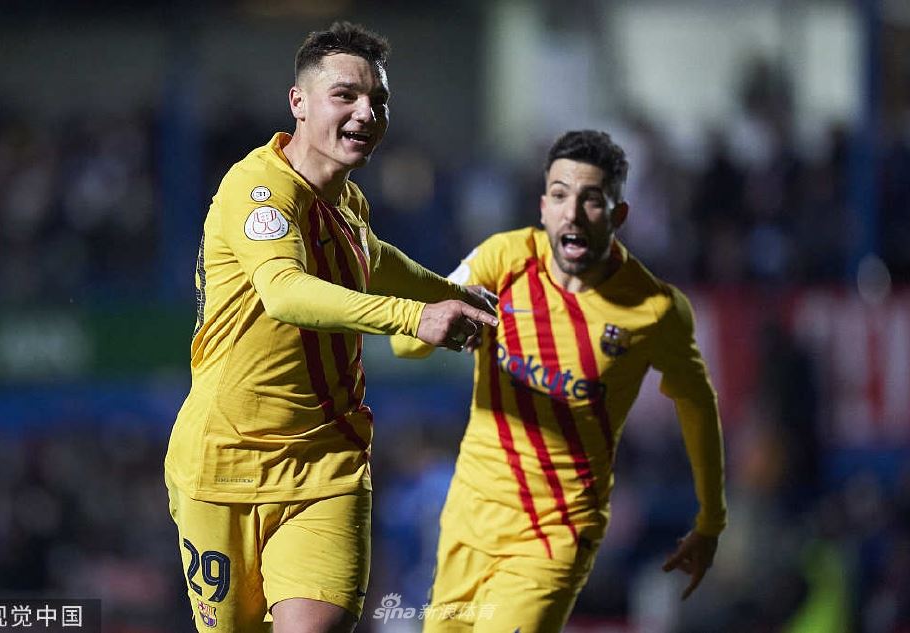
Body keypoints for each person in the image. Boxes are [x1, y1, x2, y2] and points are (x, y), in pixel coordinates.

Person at [164, 22, 497, 633]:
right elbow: (284, 292)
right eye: (345, 95)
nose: (366, 113)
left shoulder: (349, 201)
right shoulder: (257, 189)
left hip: (328, 464)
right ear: (299, 102)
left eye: (378, 100)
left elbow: (374, 258)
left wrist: (453, 295)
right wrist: (413, 316)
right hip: (222, 466)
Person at [391, 130, 727, 632]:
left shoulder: (654, 308)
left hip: (556, 530)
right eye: (560, 195)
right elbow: (407, 342)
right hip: (473, 515)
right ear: (544, 206)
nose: (572, 214)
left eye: (591, 200)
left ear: (617, 215)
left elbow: (698, 408)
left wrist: (710, 520)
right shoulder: (500, 259)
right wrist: (438, 320)